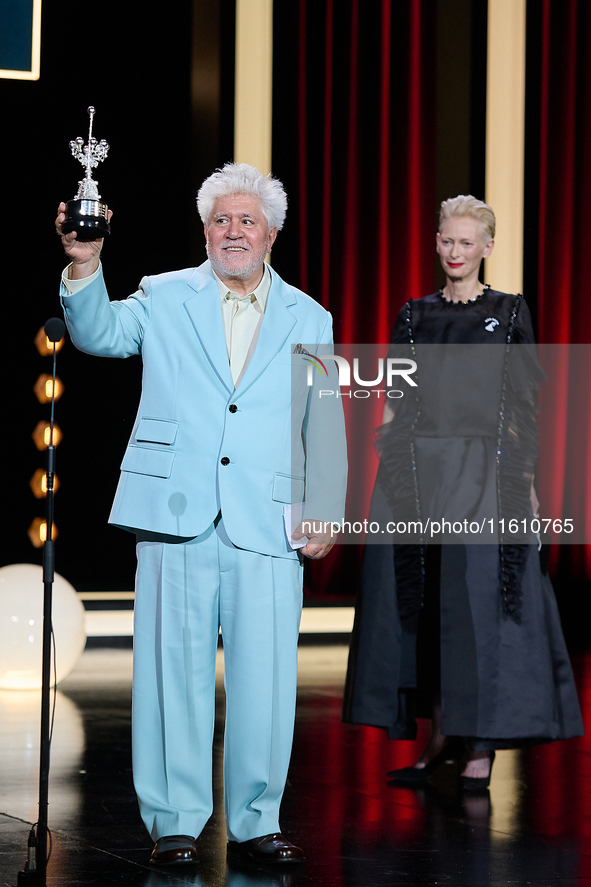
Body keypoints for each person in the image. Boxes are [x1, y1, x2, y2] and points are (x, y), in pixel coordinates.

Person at [55, 162, 347, 865]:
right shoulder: (163, 294)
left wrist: (327, 505)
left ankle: (255, 820)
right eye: (220, 220)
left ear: (271, 232)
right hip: (175, 507)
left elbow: (324, 418)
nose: (232, 231)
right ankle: (176, 820)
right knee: (169, 673)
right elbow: (99, 334)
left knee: (268, 677)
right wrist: (84, 264)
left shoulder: (308, 315)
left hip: (268, 515)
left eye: (246, 220)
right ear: (205, 230)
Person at [343, 195, 583, 789]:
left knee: (478, 611)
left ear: (487, 248)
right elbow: (399, 398)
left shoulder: (510, 311)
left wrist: (523, 484)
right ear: (437, 242)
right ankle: (441, 738)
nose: (454, 252)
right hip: (420, 474)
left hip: (484, 474)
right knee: (426, 610)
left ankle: (480, 748)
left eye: (466, 242)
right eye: (446, 240)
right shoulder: (414, 314)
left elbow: (524, 407)